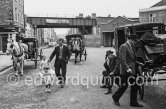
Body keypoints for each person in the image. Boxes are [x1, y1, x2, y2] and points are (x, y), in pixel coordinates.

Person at [112, 34, 144, 107]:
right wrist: (127, 69)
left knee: (135, 85)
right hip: (126, 71)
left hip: (132, 70)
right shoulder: (123, 46)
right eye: (134, 41)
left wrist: (139, 63)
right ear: (130, 39)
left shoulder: (131, 47)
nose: (134, 42)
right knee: (124, 86)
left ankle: (133, 103)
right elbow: (122, 59)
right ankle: (115, 97)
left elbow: (132, 60)